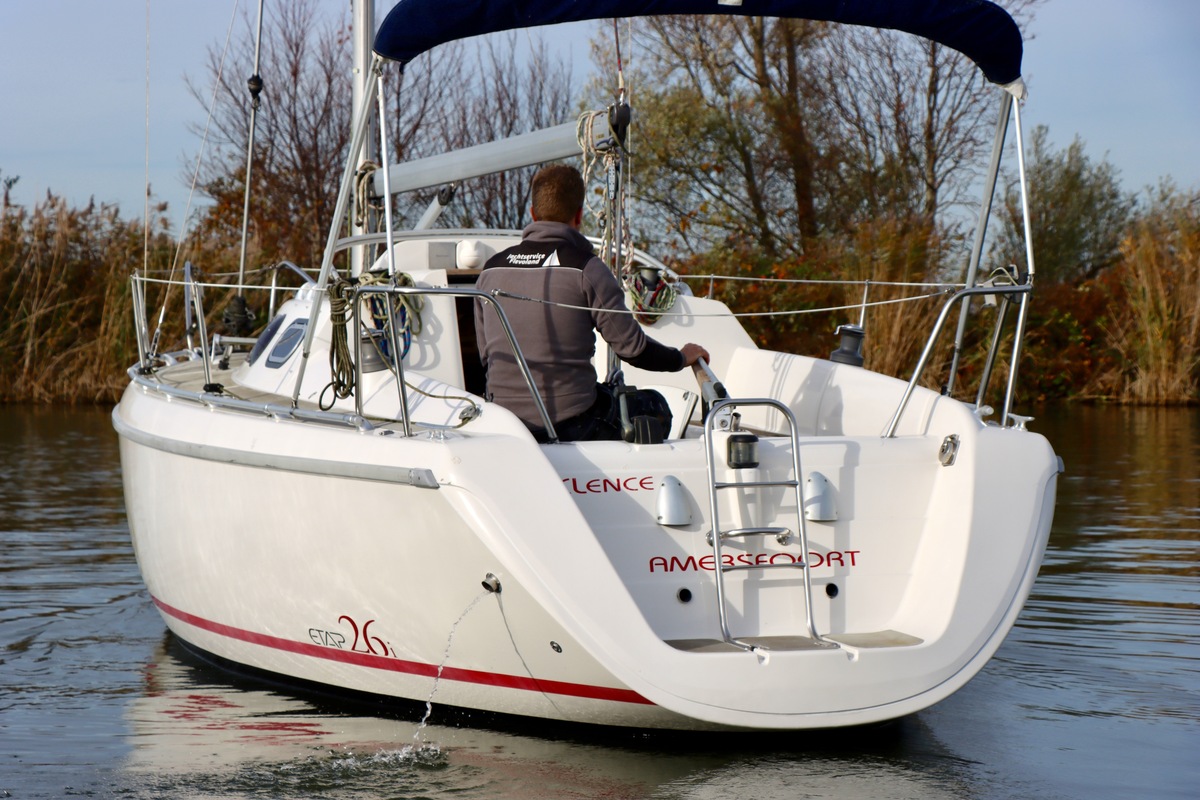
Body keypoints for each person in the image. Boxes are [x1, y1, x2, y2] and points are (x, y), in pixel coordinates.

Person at [474, 164, 709, 442]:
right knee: (656, 407)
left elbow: (486, 357)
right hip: (571, 422)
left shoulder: (490, 271)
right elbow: (634, 350)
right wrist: (680, 357)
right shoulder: (587, 268)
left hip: (506, 422)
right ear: (578, 215)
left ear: (533, 214)